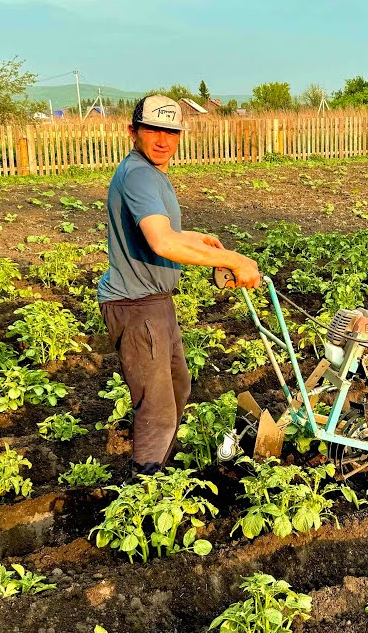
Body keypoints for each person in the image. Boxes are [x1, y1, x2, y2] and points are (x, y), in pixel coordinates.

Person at [97, 94, 262, 477]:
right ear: (132, 131)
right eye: (152, 129)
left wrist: (196, 237)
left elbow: (165, 233)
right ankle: (145, 495)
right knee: (157, 411)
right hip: (137, 305)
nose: (162, 139)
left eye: (170, 131)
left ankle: (161, 471)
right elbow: (161, 243)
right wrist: (232, 260)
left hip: (154, 302)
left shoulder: (148, 173)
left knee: (177, 389)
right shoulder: (138, 174)